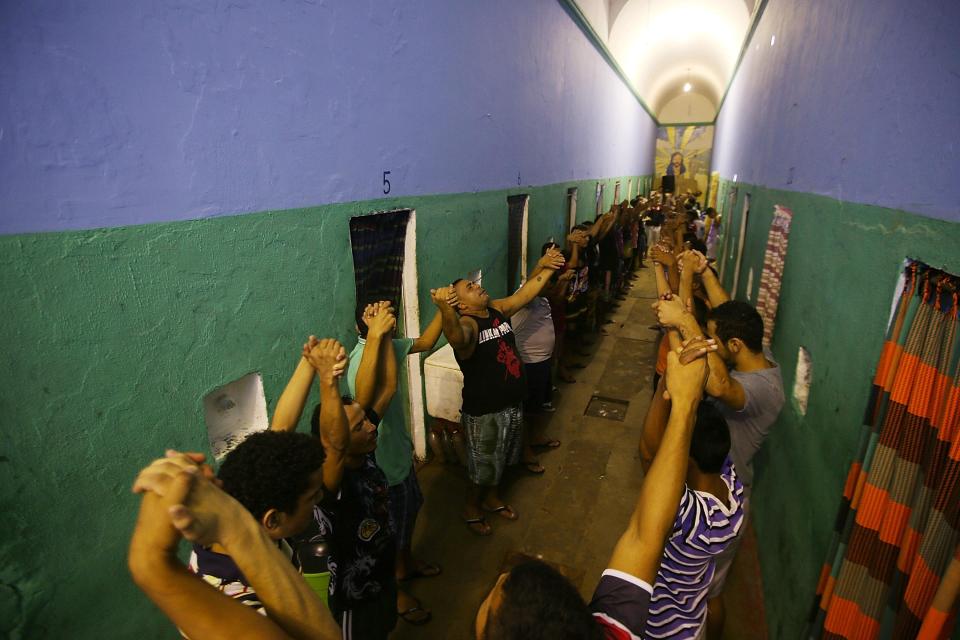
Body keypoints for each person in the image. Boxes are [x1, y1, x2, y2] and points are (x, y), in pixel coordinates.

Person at [474, 336, 718, 639]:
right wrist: (685, 405)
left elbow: (645, 533)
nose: (499, 577)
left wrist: (675, 394)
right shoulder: (615, 626)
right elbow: (645, 534)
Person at [652, 294, 784, 639]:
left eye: (714, 340)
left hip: (723, 496)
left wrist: (684, 321)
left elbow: (718, 384)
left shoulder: (761, 390)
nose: (709, 345)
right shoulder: (761, 357)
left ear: (735, 344)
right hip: (716, 487)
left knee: (709, 594)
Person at [128, 450, 341, 640]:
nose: (320, 498)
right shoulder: (238, 600)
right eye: (313, 497)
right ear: (272, 520)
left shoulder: (247, 538)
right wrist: (150, 562)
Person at [431, 247, 565, 535]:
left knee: (502, 458)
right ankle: (471, 508)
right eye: (470, 287)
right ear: (462, 306)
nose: (477, 286)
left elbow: (527, 293)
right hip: (485, 413)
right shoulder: (467, 325)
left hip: (511, 403)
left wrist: (546, 266)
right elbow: (454, 337)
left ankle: (491, 499)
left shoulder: (497, 309)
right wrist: (444, 308)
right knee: (481, 468)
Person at [347, 300, 445, 624]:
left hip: (400, 458)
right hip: (383, 472)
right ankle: (397, 590)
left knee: (410, 512)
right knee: (385, 538)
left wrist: (446, 309)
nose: (392, 315)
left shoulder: (392, 345)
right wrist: (378, 337)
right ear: (365, 322)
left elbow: (428, 342)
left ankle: (407, 564)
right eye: (380, 313)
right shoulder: (361, 359)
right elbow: (365, 400)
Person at [639, 378, 744, 639]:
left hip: (660, 625)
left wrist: (666, 380)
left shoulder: (688, 514)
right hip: (692, 620)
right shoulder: (732, 487)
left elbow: (648, 453)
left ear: (687, 461)